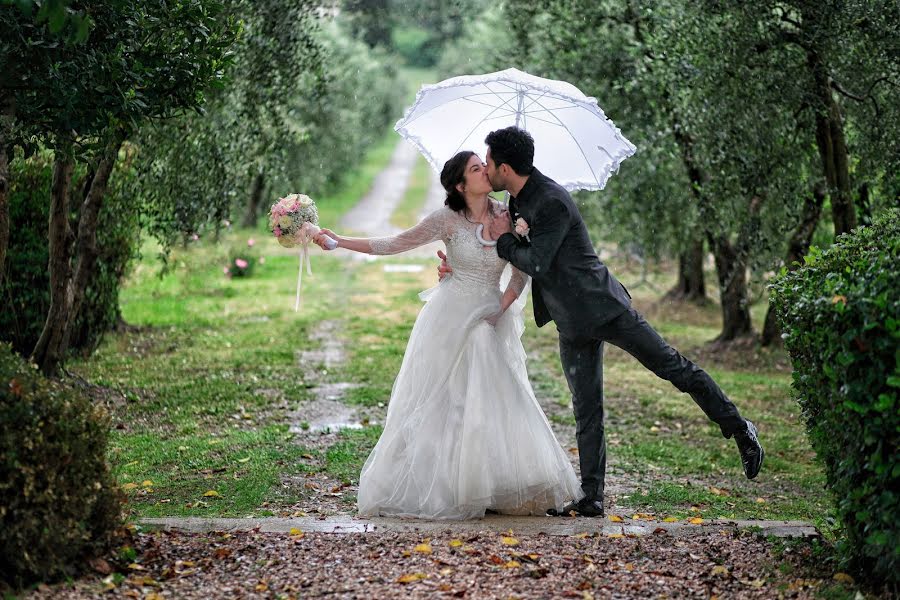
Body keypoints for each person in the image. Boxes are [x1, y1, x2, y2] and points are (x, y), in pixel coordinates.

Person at [439, 126, 764, 517]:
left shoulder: (553, 200)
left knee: (674, 368)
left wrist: (507, 240)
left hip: (605, 308)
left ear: (505, 167)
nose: (486, 168)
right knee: (586, 408)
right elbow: (496, 250)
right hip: (570, 321)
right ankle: (592, 497)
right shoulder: (515, 199)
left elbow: (537, 261)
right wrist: (457, 265)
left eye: (489, 162)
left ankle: (740, 428)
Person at [312, 151, 583, 519]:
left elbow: (521, 270)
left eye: (483, 165)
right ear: (460, 184)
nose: (485, 171)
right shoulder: (447, 220)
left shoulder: (509, 213)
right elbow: (395, 243)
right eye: (476, 169)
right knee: (443, 398)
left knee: (495, 391)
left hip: (490, 312)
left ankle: (493, 482)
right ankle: (448, 485)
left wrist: (501, 307)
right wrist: (339, 240)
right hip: (450, 315)